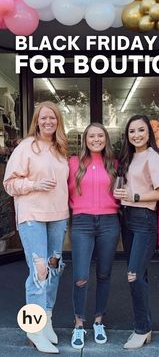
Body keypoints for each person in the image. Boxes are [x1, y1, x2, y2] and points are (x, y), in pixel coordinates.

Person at [3, 101, 69, 354]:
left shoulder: (60, 149)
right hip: (32, 215)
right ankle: (34, 329)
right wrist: (34, 184)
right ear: (37, 121)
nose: (48, 122)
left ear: (58, 121)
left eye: (52, 117)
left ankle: (47, 321)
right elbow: (9, 183)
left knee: (54, 270)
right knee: (39, 271)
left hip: (58, 216)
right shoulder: (25, 147)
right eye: (43, 118)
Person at [114, 114, 159, 349]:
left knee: (133, 275)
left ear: (149, 133)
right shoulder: (129, 157)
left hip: (144, 219)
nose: (136, 135)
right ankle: (145, 326)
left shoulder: (154, 158)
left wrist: (134, 196)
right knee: (138, 275)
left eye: (141, 131)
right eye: (132, 131)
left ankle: (142, 328)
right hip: (127, 218)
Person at [68, 122, 120, 350]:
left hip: (109, 222)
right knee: (80, 275)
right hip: (82, 222)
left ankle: (99, 321)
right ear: (85, 140)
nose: (96, 139)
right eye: (91, 136)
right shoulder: (73, 163)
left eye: (100, 136)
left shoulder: (114, 164)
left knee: (104, 274)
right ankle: (79, 323)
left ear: (106, 139)